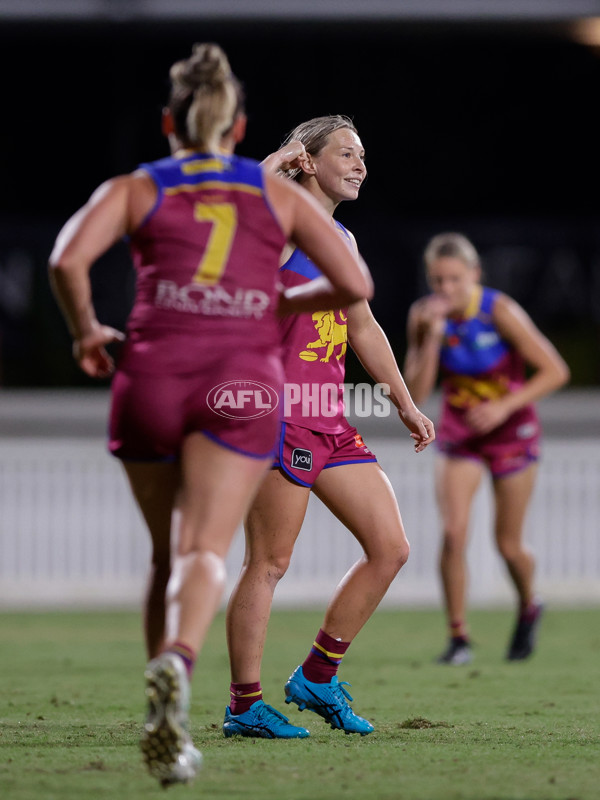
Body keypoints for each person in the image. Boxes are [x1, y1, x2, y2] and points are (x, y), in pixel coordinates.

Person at [48, 47, 374, 786]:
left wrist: (83, 332)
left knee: (165, 555)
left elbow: (67, 261)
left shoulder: (138, 186)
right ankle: (181, 667)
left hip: (151, 372)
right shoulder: (274, 198)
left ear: (168, 121)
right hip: (239, 385)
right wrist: (277, 302)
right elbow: (354, 282)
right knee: (206, 553)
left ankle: (169, 701)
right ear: (240, 127)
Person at [223, 115, 435, 740]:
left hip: (329, 416)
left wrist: (402, 401)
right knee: (269, 561)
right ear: (308, 162)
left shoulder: (340, 239)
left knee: (390, 547)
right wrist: (279, 157)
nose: (361, 164)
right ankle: (243, 706)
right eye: (346, 153)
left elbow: (363, 326)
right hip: (275, 414)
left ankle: (317, 675)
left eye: (363, 154)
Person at [404, 232, 570, 665]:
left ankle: (529, 604)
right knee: (454, 533)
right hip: (461, 434)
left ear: (474, 275)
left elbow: (556, 370)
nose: (445, 290)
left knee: (508, 544)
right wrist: (431, 340)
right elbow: (415, 394)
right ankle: (459, 638)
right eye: (437, 281)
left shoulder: (500, 311)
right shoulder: (423, 317)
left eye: (455, 280)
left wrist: (503, 408)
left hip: (511, 432)